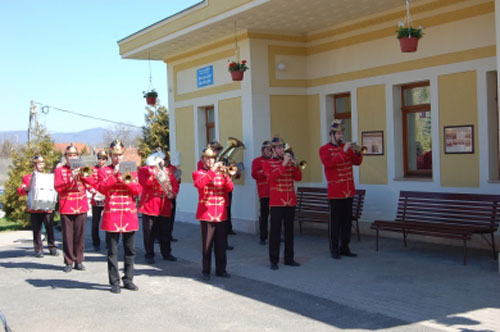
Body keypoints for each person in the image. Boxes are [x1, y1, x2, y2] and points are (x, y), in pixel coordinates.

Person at [97, 140, 142, 294]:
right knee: (112, 252)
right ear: (110, 156)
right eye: (115, 155)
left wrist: (125, 178)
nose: (117, 158)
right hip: (113, 215)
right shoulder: (104, 171)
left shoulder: (130, 169)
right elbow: (102, 188)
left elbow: (137, 190)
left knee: (130, 251)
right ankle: (114, 282)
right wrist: (115, 176)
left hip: (128, 214)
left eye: (120, 155)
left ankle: (128, 279)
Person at [319, 119, 363, 259]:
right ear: (332, 134)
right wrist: (343, 152)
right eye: (338, 133)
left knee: (346, 221)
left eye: (342, 133)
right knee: (335, 222)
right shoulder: (324, 149)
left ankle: (345, 247)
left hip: (348, 191)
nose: (341, 136)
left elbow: (357, 162)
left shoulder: (346, 147)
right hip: (336, 192)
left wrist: (358, 152)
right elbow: (329, 164)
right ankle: (334, 249)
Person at [192, 146, 233, 280]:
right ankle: (206, 270)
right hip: (207, 213)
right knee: (207, 244)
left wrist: (226, 175)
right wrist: (213, 171)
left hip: (221, 213)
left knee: (221, 244)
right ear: (203, 160)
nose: (210, 161)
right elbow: (200, 184)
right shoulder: (198, 173)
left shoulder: (221, 173)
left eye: (212, 158)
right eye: (207, 158)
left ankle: (221, 270)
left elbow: (230, 188)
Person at [263, 136, 302, 270]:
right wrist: (284, 164)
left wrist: (296, 167)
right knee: (275, 232)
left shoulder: (288, 161)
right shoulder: (267, 163)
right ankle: (274, 260)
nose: (281, 150)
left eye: (282, 147)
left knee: (290, 231)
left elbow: (298, 178)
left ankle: (289, 258)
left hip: (290, 201)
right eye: (278, 148)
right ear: (273, 150)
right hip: (277, 202)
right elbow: (271, 178)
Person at [54, 144, 92, 273]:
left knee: (79, 236)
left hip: (81, 206)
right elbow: (58, 187)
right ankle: (69, 261)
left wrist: (82, 174)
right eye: (69, 155)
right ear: (66, 157)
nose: (72, 158)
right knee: (67, 236)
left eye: (74, 155)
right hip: (66, 206)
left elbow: (90, 182)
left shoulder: (82, 168)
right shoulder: (60, 170)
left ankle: (79, 260)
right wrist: (71, 177)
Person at [138, 150, 179, 264]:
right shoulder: (144, 170)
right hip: (150, 205)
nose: (161, 161)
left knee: (166, 231)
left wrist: (173, 193)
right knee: (149, 232)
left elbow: (175, 184)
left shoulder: (169, 171)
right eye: (158, 158)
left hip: (165, 203)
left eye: (162, 158)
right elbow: (144, 183)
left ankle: (166, 253)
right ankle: (149, 254)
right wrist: (154, 175)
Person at [17, 155, 58, 257]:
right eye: (39, 164)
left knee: (50, 228)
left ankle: (52, 247)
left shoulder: (48, 176)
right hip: (35, 208)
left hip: (47, 207)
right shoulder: (28, 177)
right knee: (37, 229)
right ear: (34, 165)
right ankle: (38, 249)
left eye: (42, 163)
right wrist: (25, 189)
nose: (41, 166)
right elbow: (21, 190)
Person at [251, 140, 272, 245]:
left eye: (270, 149)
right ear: (263, 150)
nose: (269, 151)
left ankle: (274, 235)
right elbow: (254, 174)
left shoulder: (275, 160)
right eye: (267, 149)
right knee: (264, 215)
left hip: (275, 191)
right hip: (264, 192)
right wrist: (266, 172)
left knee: (276, 216)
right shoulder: (257, 161)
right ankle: (263, 237)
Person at [89, 150, 108, 251]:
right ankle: (95, 242)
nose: (101, 160)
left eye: (103, 159)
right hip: (96, 197)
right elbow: (88, 181)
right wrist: (92, 190)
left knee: (107, 220)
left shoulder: (108, 170)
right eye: (99, 158)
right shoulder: (93, 169)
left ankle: (108, 241)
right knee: (95, 222)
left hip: (105, 197)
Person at [165, 152, 181, 242]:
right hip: (163, 196)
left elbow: (177, 181)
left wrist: (178, 179)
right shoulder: (158, 169)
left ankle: (169, 235)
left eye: (167, 159)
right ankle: (158, 236)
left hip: (172, 195)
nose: (166, 161)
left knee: (171, 217)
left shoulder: (173, 168)